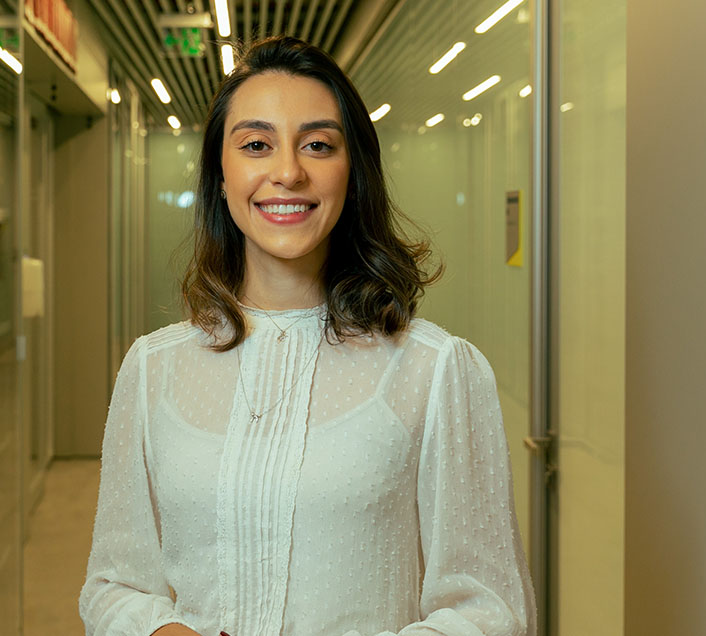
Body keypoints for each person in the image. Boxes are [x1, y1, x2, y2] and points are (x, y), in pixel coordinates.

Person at [80, 36, 536, 636]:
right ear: (221, 174)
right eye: (256, 145)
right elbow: (113, 586)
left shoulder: (437, 369)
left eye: (318, 144)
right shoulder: (151, 369)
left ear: (352, 173)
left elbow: (490, 608)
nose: (288, 171)